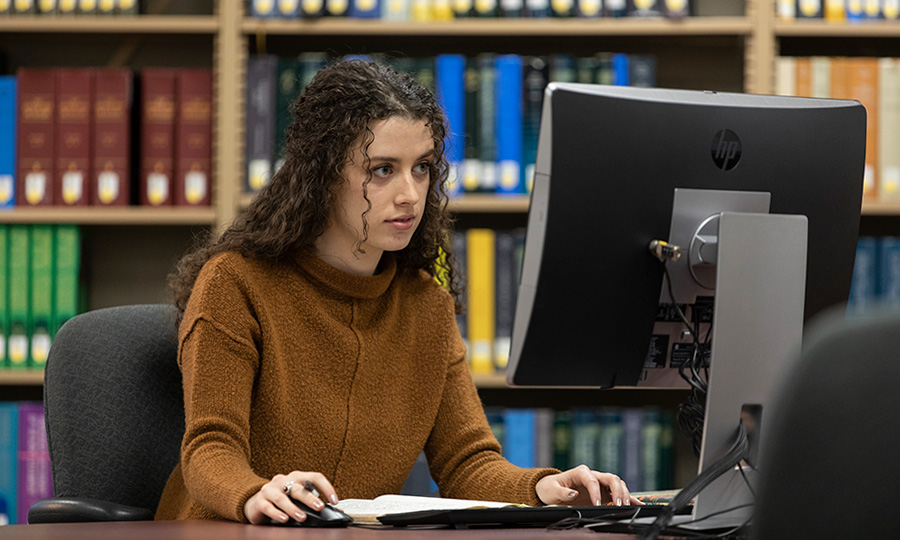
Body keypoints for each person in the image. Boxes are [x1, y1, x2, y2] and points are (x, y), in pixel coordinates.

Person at [155, 59, 640, 525]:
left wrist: (542, 489)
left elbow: (466, 463)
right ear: (322, 175)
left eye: (422, 167)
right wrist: (256, 493)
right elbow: (210, 448)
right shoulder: (235, 283)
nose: (410, 193)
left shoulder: (426, 305)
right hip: (225, 528)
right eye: (383, 169)